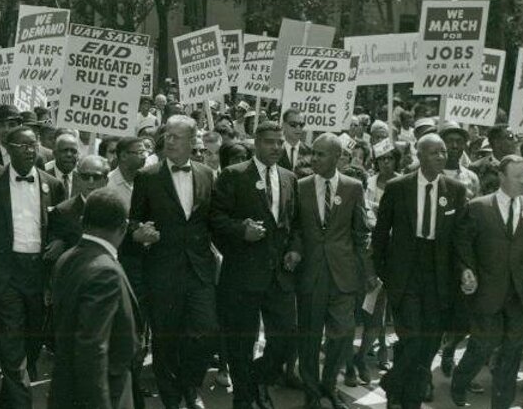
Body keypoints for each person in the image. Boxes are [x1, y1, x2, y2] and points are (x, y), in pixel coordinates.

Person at [371, 133, 469, 409]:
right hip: (405, 273)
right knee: (412, 337)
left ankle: (404, 394)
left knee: (430, 342)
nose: (442, 156)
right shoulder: (398, 187)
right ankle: (396, 387)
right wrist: (383, 271)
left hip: (439, 275)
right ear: (420, 155)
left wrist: (465, 268)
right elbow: (381, 233)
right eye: (435, 152)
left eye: (443, 152)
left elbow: (461, 237)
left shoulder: (456, 190)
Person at [126, 115, 218, 409]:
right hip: (162, 271)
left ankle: (190, 385)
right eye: (167, 136)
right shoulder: (147, 176)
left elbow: (214, 221)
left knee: (205, 332)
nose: (170, 141)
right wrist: (139, 233)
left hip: (199, 270)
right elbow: (134, 220)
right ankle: (171, 399)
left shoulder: (207, 174)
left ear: (192, 142)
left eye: (177, 137)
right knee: (165, 339)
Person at [449, 155, 523, 408]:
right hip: (487, 291)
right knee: (482, 345)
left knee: (513, 351)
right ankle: (460, 381)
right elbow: (463, 244)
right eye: (518, 176)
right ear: (502, 177)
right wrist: (466, 269)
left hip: (519, 292)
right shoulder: (478, 207)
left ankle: (501, 403)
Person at [209, 121, 297, 409]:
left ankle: (257, 379)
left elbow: (294, 223)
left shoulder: (289, 177)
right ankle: (243, 399)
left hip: (279, 277)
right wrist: (240, 231)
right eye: (270, 141)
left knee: (285, 338)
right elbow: (215, 219)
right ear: (256, 143)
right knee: (241, 344)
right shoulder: (234, 175)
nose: (276, 147)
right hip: (242, 274)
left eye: (280, 142)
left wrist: (295, 250)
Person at [0, 125, 65, 407]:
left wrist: (60, 241)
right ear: (8, 149)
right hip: (6, 273)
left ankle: (10, 400)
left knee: (31, 342)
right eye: (23, 145)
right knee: (12, 341)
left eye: (33, 145)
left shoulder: (54, 185)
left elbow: (63, 225)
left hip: (38, 272)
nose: (30, 150)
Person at [288, 133, 374, 409]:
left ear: (338, 157)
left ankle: (329, 384)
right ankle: (312, 392)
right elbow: (295, 228)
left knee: (342, 333)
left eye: (321, 154)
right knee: (310, 338)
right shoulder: (300, 186)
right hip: (311, 274)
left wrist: (367, 272)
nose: (314, 158)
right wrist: (295, 250)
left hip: (342, 275)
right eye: (313, 153)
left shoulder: (353, 187)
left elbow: (361, 233)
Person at [48, 187, 143, 409]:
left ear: (82, 221)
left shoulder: (66, 258)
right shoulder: (106, 270)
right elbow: (92, 347)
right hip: (105, 393)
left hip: (66, 389)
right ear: (123, 227)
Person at [45, 155, 112, 260]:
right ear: (78, 178)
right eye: (85, 176)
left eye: (96, 177)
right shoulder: (62, 212)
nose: (90, 181)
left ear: (106, 180)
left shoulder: (114, 210)